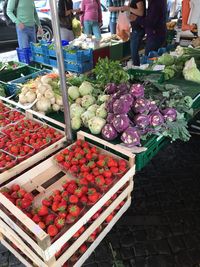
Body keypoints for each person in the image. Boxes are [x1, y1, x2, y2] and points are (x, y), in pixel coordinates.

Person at [129, 0, 146, 65]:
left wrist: (128, 8)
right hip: (136, 28)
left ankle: (136, 68)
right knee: (134, 51)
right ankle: (136, 66)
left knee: (134, 52)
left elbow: (141, 12)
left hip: (138, 29)